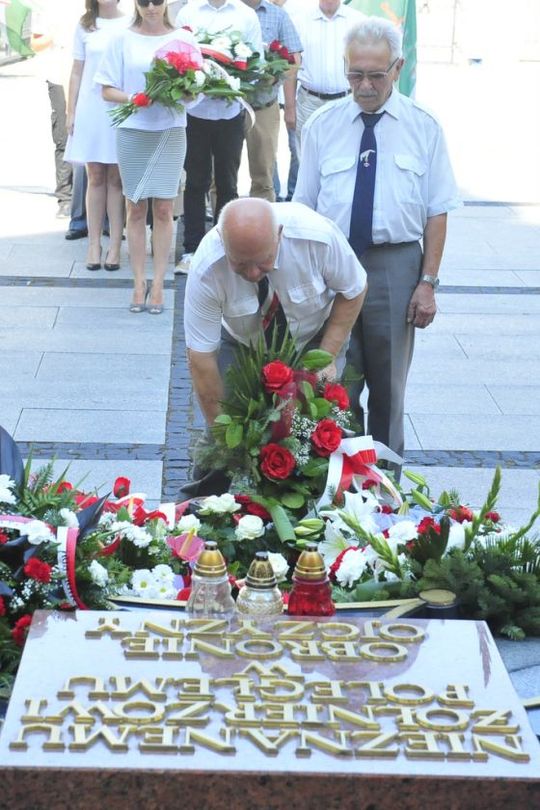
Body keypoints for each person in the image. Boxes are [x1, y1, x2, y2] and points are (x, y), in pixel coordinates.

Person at [294, 16, 460, 466]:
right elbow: (303, 208)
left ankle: (385, 491)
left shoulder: (423, 126)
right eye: (355, 75)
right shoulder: (322, 125)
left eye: (376, 75)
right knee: (336, 388)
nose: (365, 86)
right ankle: (342, 488)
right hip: (334, 267)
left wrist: (428, 282)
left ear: (397, 68)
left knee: (389, 389)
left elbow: (437, 210)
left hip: (395, 267)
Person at [184, 197, 367, 425]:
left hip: (315, 336)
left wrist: (326, 356)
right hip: (242, 342)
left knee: (316, 425)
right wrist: (221, 434)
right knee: (233, 420)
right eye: (240, 263)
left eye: (263, 260)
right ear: (222, 240)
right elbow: (201, 359)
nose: (253, 273)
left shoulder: (317, 238)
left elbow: (354, 289)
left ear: (279, 235)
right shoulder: (206, 268)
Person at [96, 0, 202, 313]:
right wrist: (134, 98)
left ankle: (158, 284)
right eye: (144, 1)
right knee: (136, 207)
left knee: (165, 208)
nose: (151, 7)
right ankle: (138, 282)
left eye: (157, 0)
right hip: (133, 130)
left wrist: (184, 92)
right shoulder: (122, 38)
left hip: (170, 129)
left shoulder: (184, 37)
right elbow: (105, 88)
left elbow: (196, 90)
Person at [174, 0, 263, 274]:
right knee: (195, 182)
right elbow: (176, 59)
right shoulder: (188, 12)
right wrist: (196, 85)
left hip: (230, 113)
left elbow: (256, 64)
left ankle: (226, 247)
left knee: (228, 182)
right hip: (195, 113)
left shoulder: (245, 15)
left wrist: (230, 85)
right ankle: (192, 250)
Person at [65, 0, 128, 271]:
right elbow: (76, 71)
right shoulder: (85, 24)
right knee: (95, 175)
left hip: (119, 105)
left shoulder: (130, 23)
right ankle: (93, 244)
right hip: (91, 107)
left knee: (116, 177)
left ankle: (114, 246)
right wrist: (71, 111)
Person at [239, 0, 301, 202]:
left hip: (263, 107)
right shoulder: (227, 11)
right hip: (227, 107)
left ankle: (264, 220)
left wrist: (274, 78)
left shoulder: (278, 15)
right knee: (221, 177)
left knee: (264, 177)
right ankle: (223, 221)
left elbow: (294, 59)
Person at [293, 0, 365, 156]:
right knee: (308, 157)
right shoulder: (300, 21)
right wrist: (289, 108)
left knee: (345, 156)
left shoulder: (358, 21)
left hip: (347, 102)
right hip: (309, 104)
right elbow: (291, 66)